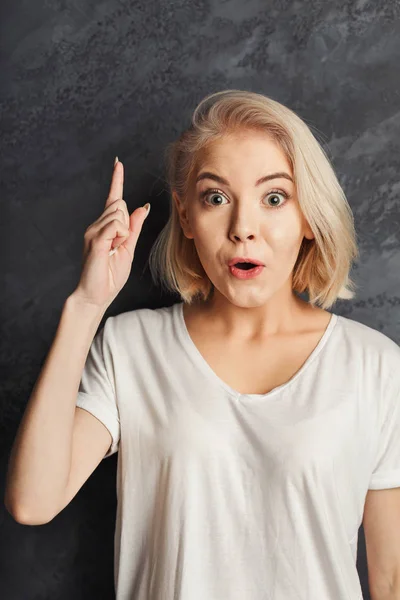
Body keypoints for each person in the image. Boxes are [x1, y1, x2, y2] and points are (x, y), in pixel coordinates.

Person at [5, 89, 400, 600]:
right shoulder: (131, 348)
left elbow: (391, 580)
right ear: (186, 217)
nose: (243, 230)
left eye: (274, 198)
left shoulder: (376, 368)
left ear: (309, 217)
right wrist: (86, 306)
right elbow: (32, 501)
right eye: (216, 198)